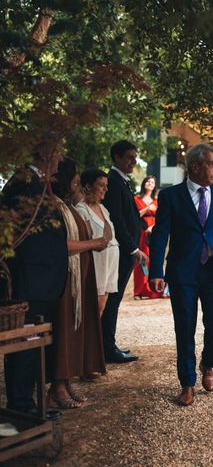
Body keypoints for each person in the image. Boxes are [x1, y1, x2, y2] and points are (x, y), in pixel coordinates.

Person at [149, 144, 213, 407]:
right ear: (195, 166)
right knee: (184, 327)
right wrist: (156, 271)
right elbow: (160, 234)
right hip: (182, 272)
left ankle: (208, 364)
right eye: (211, 164)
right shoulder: (171, 196)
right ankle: (187, 384)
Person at [2, 143, 68, 414]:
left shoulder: (37, 183)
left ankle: (27, 401)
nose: (61, 159)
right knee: (25, 344)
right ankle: (20, 405)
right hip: (32, 277)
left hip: (44, 277)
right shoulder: (22, 184)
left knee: (32, 345)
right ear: (45, 154)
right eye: (59, 153)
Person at [48, 158, 108, 408]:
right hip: (63, 280)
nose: (76, 182)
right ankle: (57, 386)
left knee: (73, 330)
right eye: (73, 178)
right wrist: (95, 243)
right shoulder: (54, 206)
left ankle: (66, 380)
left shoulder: (65, 205)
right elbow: (59, 246)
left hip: (77, 280)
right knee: (62, 330)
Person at [102, 140, 146, 363]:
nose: (133, 161)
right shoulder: (112, 181)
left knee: (115, 299)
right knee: (113, 299)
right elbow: (117, 219)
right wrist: (133, 248)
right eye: (129, 156)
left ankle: (109, 344)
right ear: (117, 157)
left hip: (126, 249)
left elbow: (130, 214)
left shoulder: (123, 181)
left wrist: (143, 226)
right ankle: (107, 348)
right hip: (120, 251)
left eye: (135, 156)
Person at [76, 169, 120, 317]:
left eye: (106, 185)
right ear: (88, 186)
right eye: (101, 185)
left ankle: (97, 339)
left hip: (110, 263)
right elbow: (83, 238)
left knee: (101, 308)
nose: (105, 189)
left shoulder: (103, 208)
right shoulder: (81, 210)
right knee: (93, 309)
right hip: (96, 263)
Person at [133, 175, 164, 299]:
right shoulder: (136, 199)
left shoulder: (157, 200)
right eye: (148, 181)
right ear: (144, 184)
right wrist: (147, 209)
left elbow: (162, 217)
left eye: (152, 182)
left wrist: (153, 227)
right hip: (141, 231)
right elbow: (135, 215)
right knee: (141, 260)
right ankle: (140, 290)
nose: (150, 184)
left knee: (154, 257)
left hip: (154, 230)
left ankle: (155, 290)